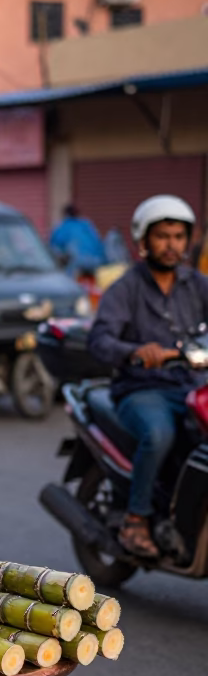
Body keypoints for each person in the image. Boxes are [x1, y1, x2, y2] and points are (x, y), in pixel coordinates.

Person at [88, 194, 208, 558]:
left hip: (193, 386)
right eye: (162, 236)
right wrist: (136, 351)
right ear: (144, 239)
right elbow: (100, 339)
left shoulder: (198, 284)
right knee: (159, 434)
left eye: (177, 236)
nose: (171, 245)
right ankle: (136, 519)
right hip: (143, 390)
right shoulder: (126, 288)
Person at [50, 203, 107, 276]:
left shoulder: (62, 226)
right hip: (98, 262)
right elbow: (98, 242)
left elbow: (53, 245)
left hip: (78, 265)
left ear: (65, 214)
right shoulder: (87, 224)